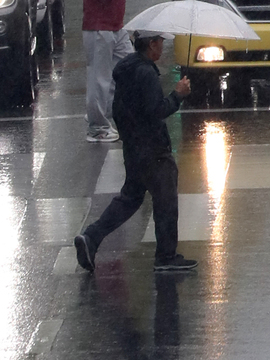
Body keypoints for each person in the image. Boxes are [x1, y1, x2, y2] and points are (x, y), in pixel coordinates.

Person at [74, 31, 196, 275]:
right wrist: (178, 95)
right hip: (154, 151)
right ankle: (166, 256)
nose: (162, 47)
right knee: (166, 202)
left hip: (134, 148)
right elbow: (157, 110)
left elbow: (120, 110)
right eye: (160, 42)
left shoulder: (126, 69)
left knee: (130, 198)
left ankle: (91, 237)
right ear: (151, 45)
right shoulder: (146, 73)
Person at [83, 0, 134, 143]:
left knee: (129, 69)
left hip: (115, 25)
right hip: (99, 26)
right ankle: (97, 128)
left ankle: (116, 115)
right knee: (100, 78)